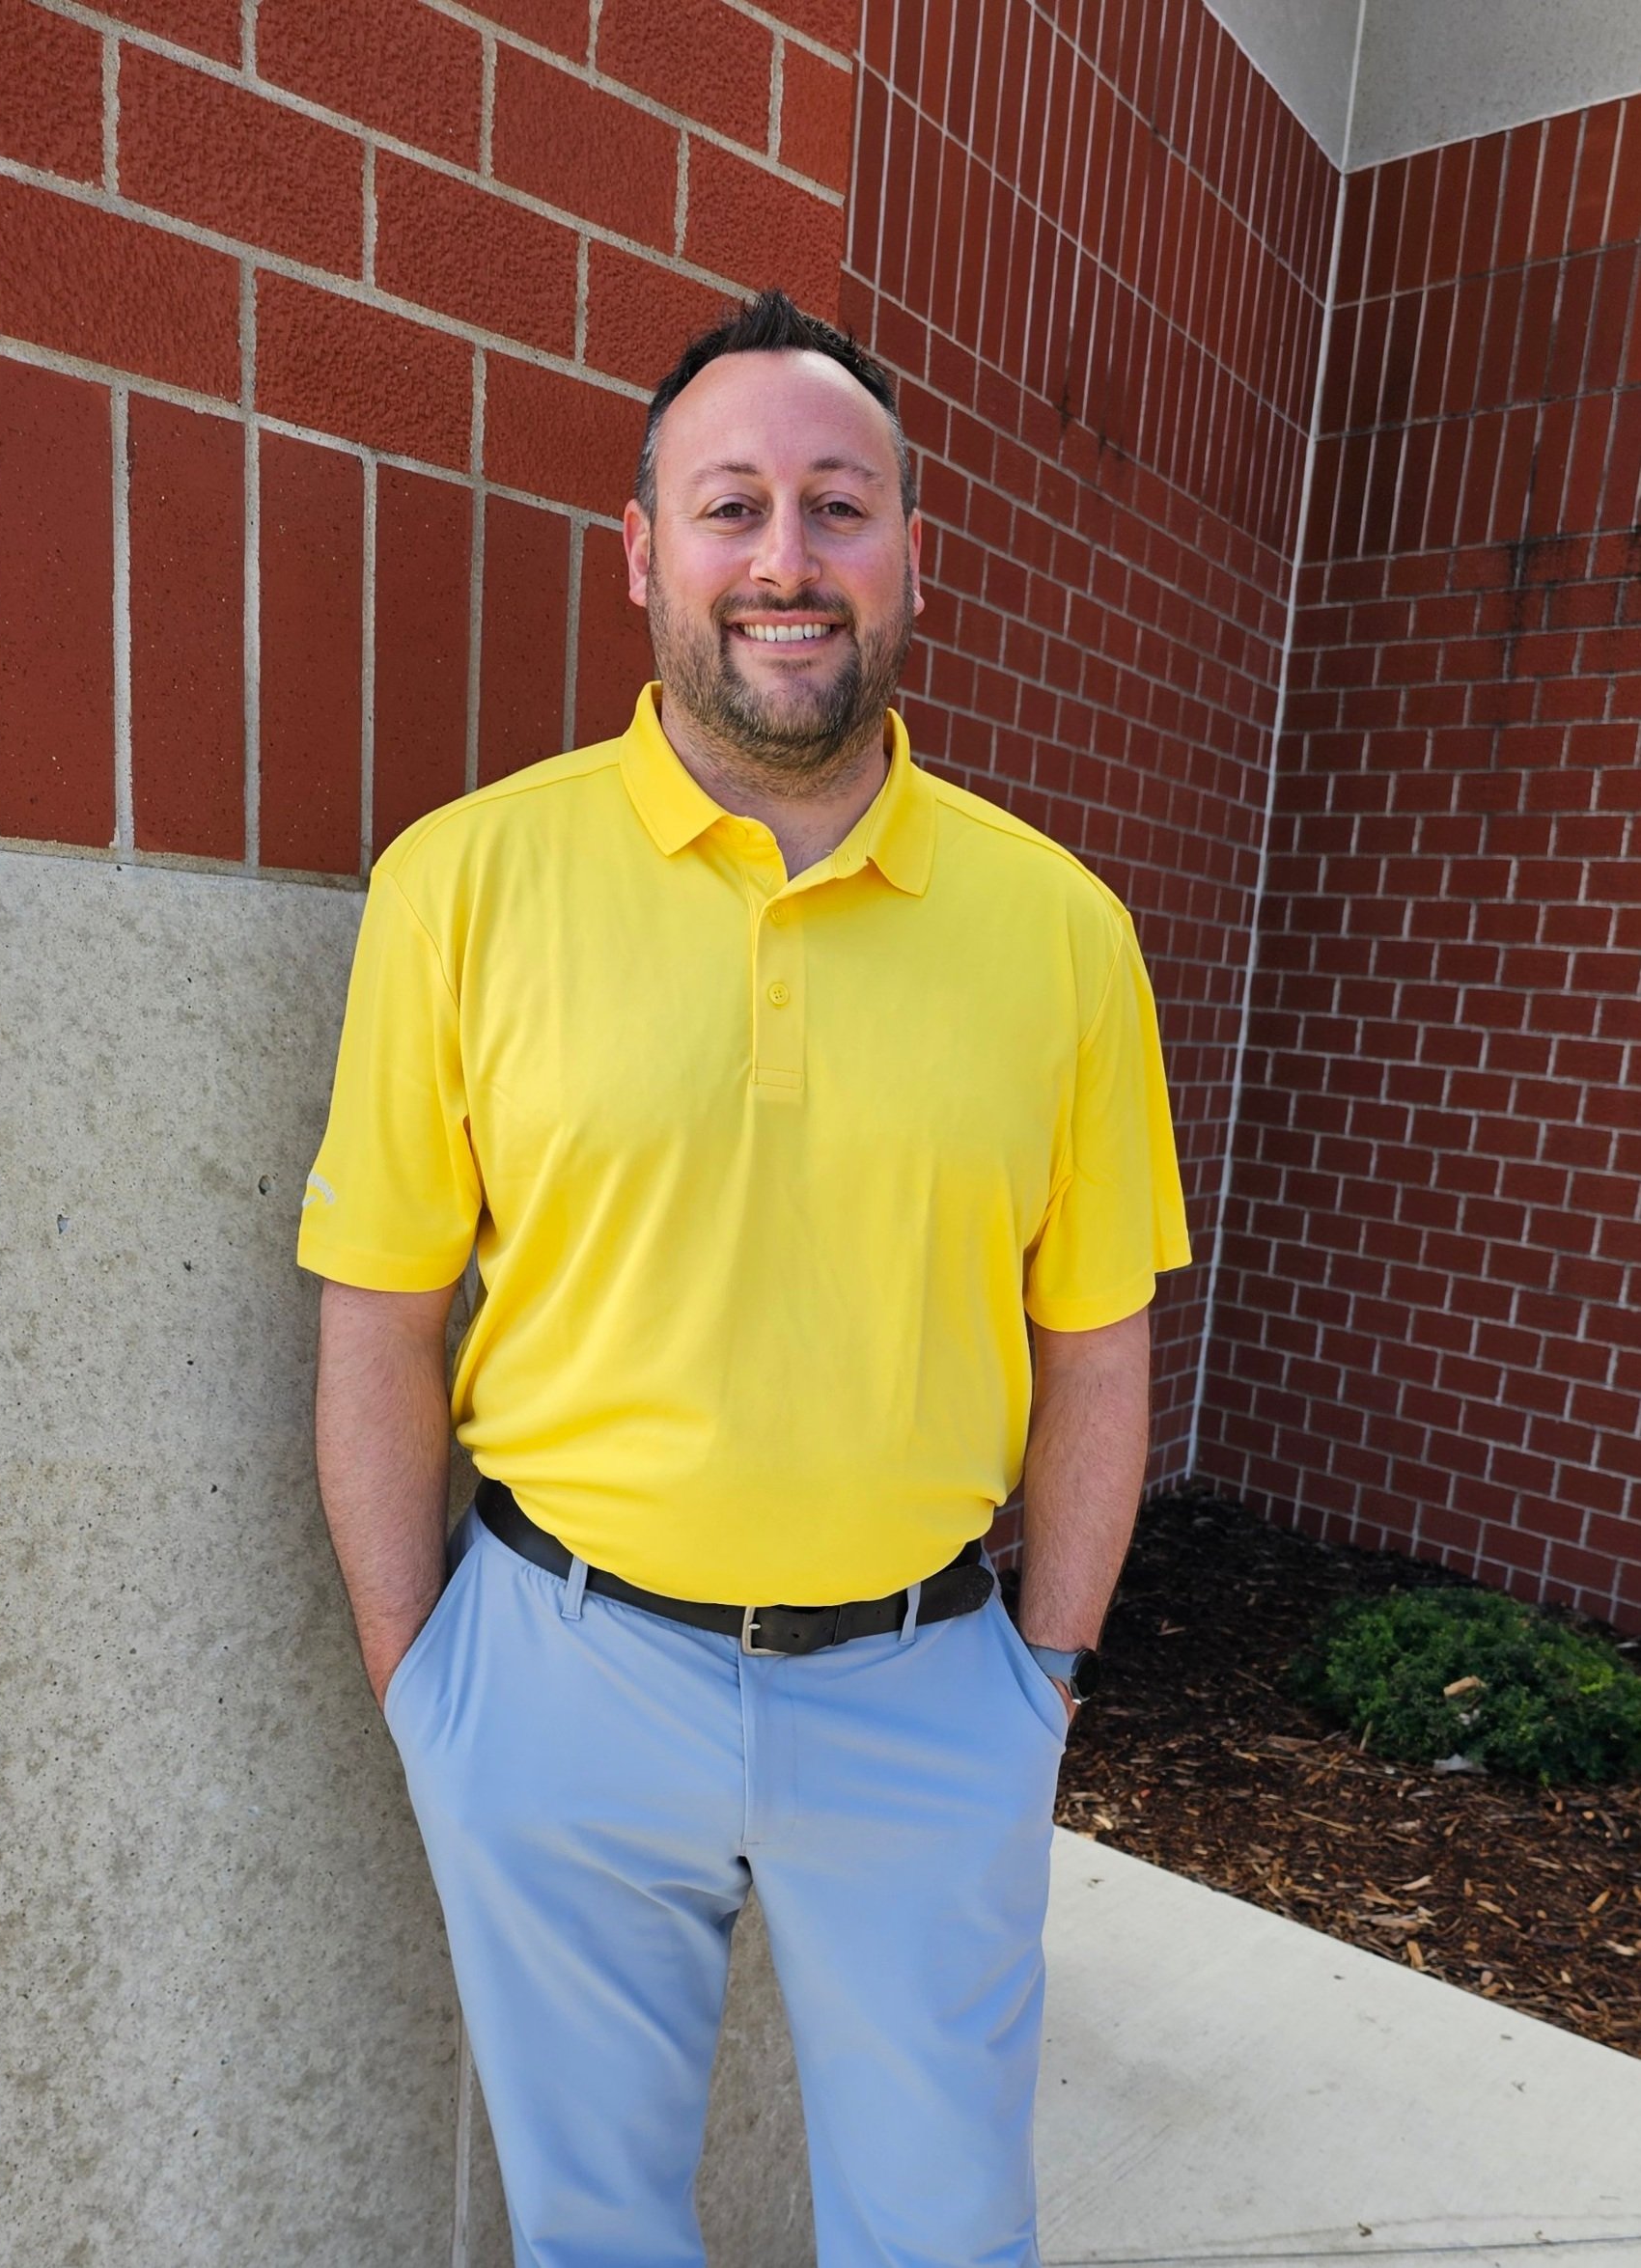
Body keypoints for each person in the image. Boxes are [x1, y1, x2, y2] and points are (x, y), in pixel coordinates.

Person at [299, 289, 1191, 2267]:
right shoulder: (464, 884)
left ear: (909, 556)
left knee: (947, 2235)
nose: (785, 558)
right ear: (643, 554)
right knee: (598, 2235)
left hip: (926, 1684)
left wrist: (1037, 1674)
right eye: (731, 506)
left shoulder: (1062, 932)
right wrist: (421, 1671)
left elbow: (1098, 1336)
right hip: (555, 1669)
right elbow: (381, 1303)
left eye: (837, 504)